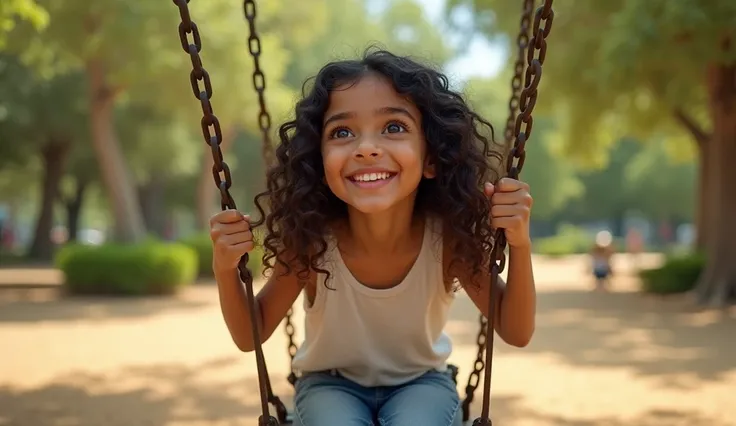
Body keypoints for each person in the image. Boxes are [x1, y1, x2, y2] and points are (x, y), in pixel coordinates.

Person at [209, 49, 536, 426]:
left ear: (431, 158)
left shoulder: (445, 240)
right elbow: (252, 331)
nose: (366, 148)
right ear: (319, 161)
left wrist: (520, 244)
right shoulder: (312, 241)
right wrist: (224, 268)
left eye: (394, 127)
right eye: (342, 132)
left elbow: (516, 330)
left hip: (421, 383)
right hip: (330, 385)